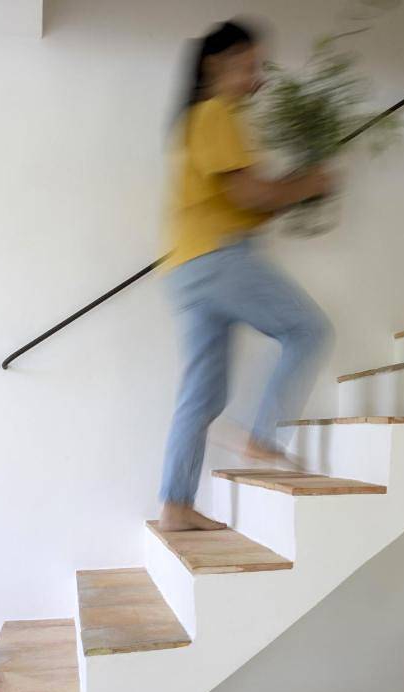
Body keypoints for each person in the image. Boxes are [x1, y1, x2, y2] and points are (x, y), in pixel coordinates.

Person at [159, 19, 334, 532]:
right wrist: (311, 182)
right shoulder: (214, 113)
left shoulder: (200, 119)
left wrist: (281, 194)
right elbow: (251, 195)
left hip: (186, 267)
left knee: (201, 396)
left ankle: (175, 507)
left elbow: (250, 202)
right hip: (217, 259)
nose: (256, 77)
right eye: (249, 65)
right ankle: (263, 435)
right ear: (217, 63)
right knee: (307, 329)